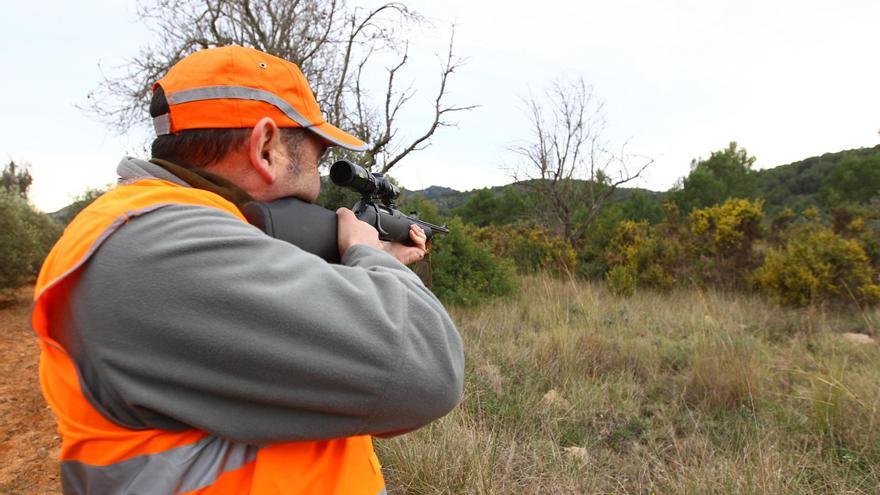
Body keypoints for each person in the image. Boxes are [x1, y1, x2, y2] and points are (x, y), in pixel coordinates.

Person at [32, 45, 464, 494]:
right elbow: (425, 372)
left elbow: (362, 390)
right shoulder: (159, 248)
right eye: (315, 161)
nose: (317, 186)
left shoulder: (155, 231)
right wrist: (367, 254)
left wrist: (370, 269)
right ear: (266, 147)